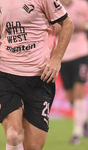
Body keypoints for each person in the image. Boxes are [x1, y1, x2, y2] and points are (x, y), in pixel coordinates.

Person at [0, 0, 74, 149]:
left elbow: (68, 24)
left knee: (33, 147)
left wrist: (56, 59)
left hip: (39, 77)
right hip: (6, 74)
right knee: (14, 135)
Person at [55, 0, 88, 145]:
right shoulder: (53, 6)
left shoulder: (82, 5)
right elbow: (50, 29)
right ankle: (83, 121)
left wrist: (83, 25)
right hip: (63, 55)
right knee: (69, 96)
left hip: (81, 53)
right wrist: (68, 26)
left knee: (78, 88)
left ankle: (76, 133)